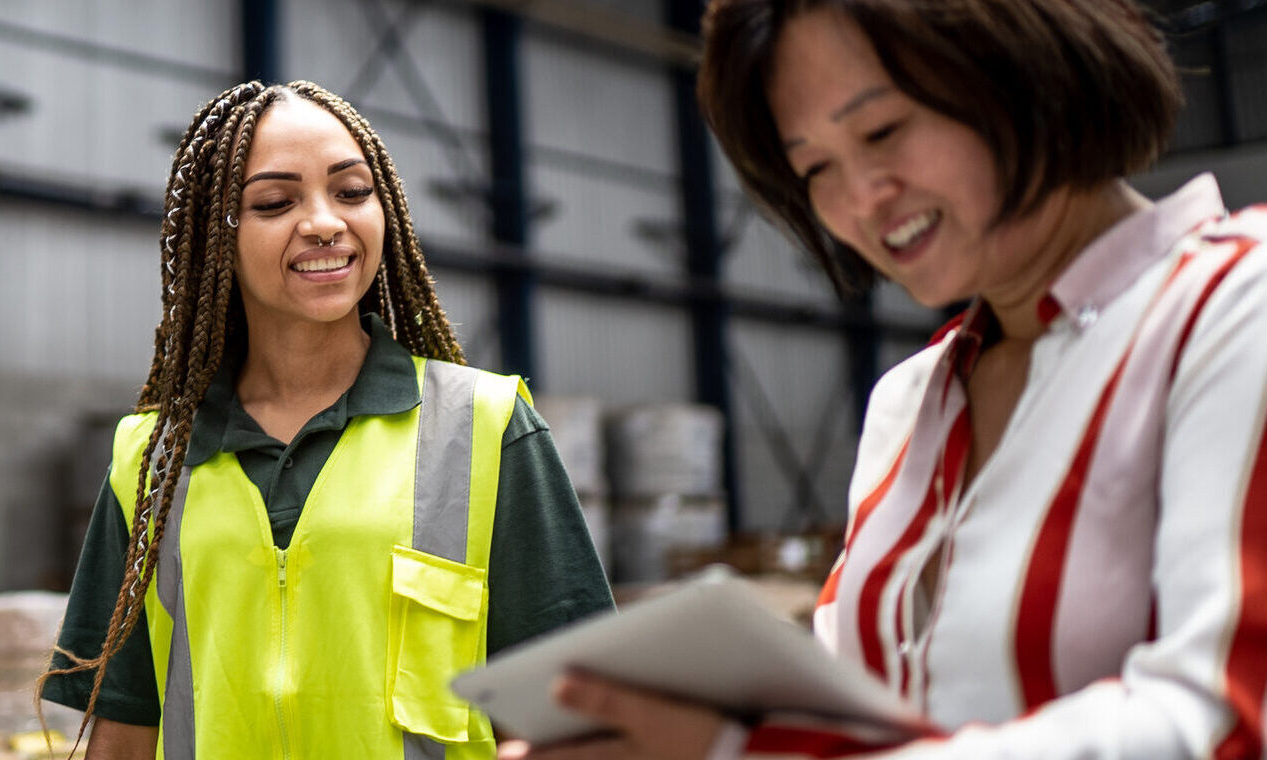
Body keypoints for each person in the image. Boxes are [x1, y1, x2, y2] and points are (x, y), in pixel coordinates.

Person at [498, 1, 1267, 758]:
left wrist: (749, 753)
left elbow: (1223, 720)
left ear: (1026, 69)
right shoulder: (912, 398)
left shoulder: (1235, 304)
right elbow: (863, 702)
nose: (860, 197)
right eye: (816, 168)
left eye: (883, 130)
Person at [38, 80, 613, 760]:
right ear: (214, 238)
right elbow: (125, 728)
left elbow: (570, 714)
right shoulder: (152, 460)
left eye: (352, 191)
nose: (324, 222)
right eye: (275, 202)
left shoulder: (487, 426)